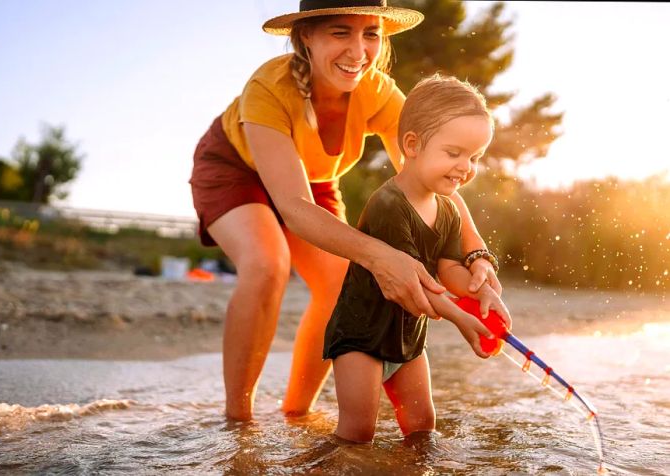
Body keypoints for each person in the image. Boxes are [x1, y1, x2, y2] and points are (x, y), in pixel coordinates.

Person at [189, 0, 502, 422]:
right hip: (234, 167)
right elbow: (294, 208)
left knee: (341, 283)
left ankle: (295, 413)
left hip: (313, 180)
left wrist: (477, 254)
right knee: (267, 264)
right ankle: (238, 421)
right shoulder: (267, 88)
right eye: (340, 32)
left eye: (370, 34)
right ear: (305, 37)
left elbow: (432, 178)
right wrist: (381, 255)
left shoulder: (379, 92)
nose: (358, 51)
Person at [323, 73, 512, 442]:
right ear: (412, 144)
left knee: (422, 427)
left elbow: (448, 269)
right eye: (453, 153)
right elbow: (419, 287)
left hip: (407, 337)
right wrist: (461, 318)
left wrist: (480, 293)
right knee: (358, 432)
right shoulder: (389, 205)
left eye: (474, 157)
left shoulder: (447, 210)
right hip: (362, 337)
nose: (466, 167)